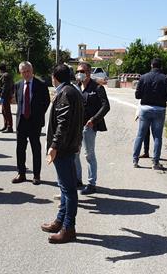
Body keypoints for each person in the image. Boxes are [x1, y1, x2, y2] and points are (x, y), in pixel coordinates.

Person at [42, 64, 84, 244]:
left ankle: (69, 228)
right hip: (69, 146)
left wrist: (54, 145)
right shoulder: (72, 90)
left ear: (54, 77)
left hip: (64, 149)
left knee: (68, 190)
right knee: (65, 187)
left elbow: (63, 122)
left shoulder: (65, 93)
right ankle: (61, 221)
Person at [74, 62, 110, 195]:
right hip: (76, 126)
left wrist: (94, 120)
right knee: (75, 153)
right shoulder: (76, 87)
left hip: (89, 127)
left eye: (82, 71)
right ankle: (77, 179)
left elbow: (106, 106)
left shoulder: (98, 88)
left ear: (89, 72)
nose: (80, 74)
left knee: (89, 155)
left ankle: (91, 184)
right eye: (78, 71)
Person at [12, 61, 50, 185]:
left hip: (34, 122)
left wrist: (38, 114)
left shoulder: (41, 84)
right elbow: (19, 101)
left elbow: (46, 101)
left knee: (35, 148)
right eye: (23, 72)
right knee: (20, 149)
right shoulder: (18, 85)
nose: (26, 74)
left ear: (32, 70)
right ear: (20, 73)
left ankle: (36, 175)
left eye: (28, 71)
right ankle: (21, 173)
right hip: (21, 121)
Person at [133, 58, 167, 169]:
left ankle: (135, 161)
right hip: (159, 110)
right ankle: (155, 163)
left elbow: (137, 96)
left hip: (145, 109)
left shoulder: (143, 77)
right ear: (160, 66)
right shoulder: (165, 79)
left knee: (140, 135)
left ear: (151, 65)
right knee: (157, 137)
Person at [0, 63, 14, 133]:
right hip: (6, 95)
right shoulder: (5, 75)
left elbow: (5, 87)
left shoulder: (5, 76)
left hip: (6, 96)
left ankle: (9, 127)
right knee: (4, 111)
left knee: (7, 111)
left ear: (0, 69)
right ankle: (6, 125)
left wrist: (2, 96)